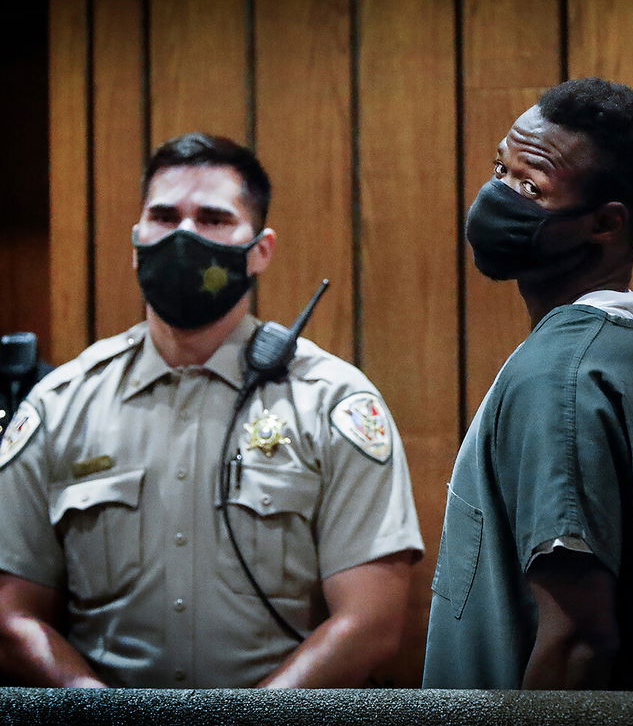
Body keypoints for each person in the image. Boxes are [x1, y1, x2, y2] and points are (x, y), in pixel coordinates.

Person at [0, 133, 423, 688]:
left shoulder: (331, 402)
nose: (183, 236)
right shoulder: (61, 405)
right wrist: (94, 709)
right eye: (164, 215)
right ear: (136, 243)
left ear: (261, 249)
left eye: (213, 219)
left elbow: (370, 622)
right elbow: (12, 614)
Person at [422, 78, 633, 691]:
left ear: (605, 223)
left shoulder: (558, 379)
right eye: (498, 170)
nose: (496, 197)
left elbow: (580, 643)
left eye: (529, 187)